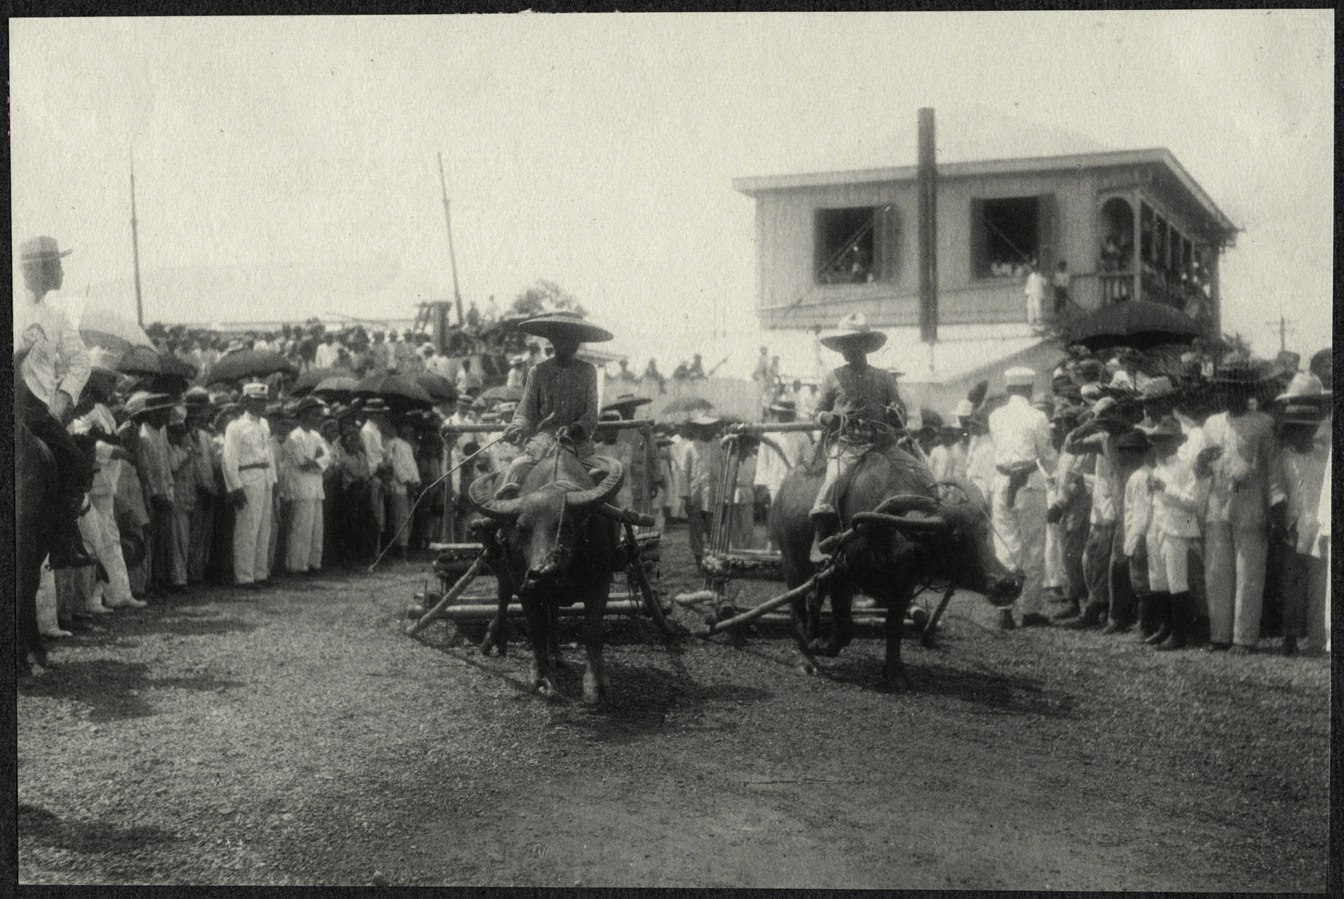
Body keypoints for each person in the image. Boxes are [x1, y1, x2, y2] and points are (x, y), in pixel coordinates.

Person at [14, 236, 97, 568]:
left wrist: (61, 403)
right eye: (58, 264)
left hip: (35, 411)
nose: (62, 271)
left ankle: (63, 541)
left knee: (76, 463)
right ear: (41, 269)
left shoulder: (57, 316)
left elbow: (80, 362)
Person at [1201, 358, 1286, 653]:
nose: (1228, 394)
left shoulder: (1263, 424)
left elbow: (1274, 470)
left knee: (1249, 573)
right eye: (1224, 388)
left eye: (1234, 388)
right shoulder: (1212, 424)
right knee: (1217, 573)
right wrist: (1201, 462)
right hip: (1218, 505)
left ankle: (1245, 637)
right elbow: (1201, 468)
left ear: (1247, 389)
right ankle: (1220, 635)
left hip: (1251, 506)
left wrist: (1277, 509)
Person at [808, 313, 904, 560]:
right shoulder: (832, 376)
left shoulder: (884, 377)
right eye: (844, 345)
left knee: (920, 471)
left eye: (853, 343)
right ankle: (819, 541)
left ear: (865, 345)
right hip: (847, 445)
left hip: (882, 444)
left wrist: (895, 413)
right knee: (834, 480)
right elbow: (817, 413)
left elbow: (899, 411)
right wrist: (830, 418)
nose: (847, 350)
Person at [495, 312, 612, 499]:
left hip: (578, 444)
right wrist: (517, 427)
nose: (571, 344)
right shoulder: (538, 372)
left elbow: (591, 413)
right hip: (543, 443)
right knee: (516, 469)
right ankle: (500, 518)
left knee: (606, 476)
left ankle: (616, 525)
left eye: (575, 340)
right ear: (553, 341)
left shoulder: (588, 371)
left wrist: (575, 428)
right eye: (564, 339)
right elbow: (526, 411)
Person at [988, 367, 1059, 629]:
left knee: (1005, 546)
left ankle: (1005, 609)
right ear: (1029, 389)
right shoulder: (1037, 416)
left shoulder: (995, 416)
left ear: (1008, 389)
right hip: (1029, 484)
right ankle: (1030, 610)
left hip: (1003, 482)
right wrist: (1056, 472)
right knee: (1033, 548)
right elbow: (1047, 455)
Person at [1272, 379, 1330, 654]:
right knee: (1292, 584)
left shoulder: (1323, 457)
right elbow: (1277, 489)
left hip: (1317, 524)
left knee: (1318, 583)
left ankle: (1318, 638)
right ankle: (1290, 636)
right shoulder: (1284, 458)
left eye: (1307, 431)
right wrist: (1280, 520)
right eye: (1296, 431)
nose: (1302, 436)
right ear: (1291, 433)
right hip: (1294, 525)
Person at [222, 382, 277, 589]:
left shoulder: (264, 425)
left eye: (263, 401)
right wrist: (235, 487)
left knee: (264, 528)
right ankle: (244, 576)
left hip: (264, 477)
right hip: (247, 477)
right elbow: (229, 459)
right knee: (247, 529)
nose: (261, 405)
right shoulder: (235, 426)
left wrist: (274, 480)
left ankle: (260, 572)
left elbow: (269, 454)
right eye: (257, 401)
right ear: (246, 401)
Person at [285, 397, 329, 574]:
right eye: (315, 414)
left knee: (316, 529)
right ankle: (297, 565)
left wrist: (316, 462)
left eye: (320, 415)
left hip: (317, 487)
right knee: (301, 528)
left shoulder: (317, 436)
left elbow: (327, 458)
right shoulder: (294, 436)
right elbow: (302, 462)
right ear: (304, 414)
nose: (319, 418)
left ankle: (313, 563)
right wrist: (316, 462)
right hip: (301, 487)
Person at [602, 392, 656, 514]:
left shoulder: (642, 428)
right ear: (619, 410)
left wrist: (655, 478)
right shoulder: (615, 430)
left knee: (643, 512)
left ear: (634, 409)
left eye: (629, 408)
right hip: (622, 480)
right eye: (623, 408)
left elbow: (652, 454)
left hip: (641, 478)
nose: (626, 411)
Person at [386, 419, 422, 562]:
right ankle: (400, 548)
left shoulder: (408, 445)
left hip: (410, 485)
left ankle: (405, 546)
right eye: (406, 426)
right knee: (400, 516)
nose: (409, 429)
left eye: (410, 427)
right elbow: (394, 464)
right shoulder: (392, 443)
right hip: (399, 484)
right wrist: (406, 480)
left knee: (409, 517)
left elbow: (412, 465)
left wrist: (415, 481)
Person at [360, 398, 394, 544]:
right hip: (373, 473)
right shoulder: (366, 431)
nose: (381, 416)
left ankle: (377, 548)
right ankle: (372, 548)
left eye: (381, 413)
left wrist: (386, 458)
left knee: (380, 511)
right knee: (374, 511)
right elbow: (368, 455)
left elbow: (380, 452)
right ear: (372, 414)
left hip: (381, 471)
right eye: (378, 413)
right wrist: (379, 466)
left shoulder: (376, 430)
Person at [1024, 261, 1049, 330]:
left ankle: (1039, 321)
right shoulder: (1030, 276)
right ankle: (1030, 321)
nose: (1035, 268)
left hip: (1038, 295)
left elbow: (1046, 283)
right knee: (1030, 308)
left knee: (1038, 308)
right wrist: (1027, 293)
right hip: (1031, 294)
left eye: (1036, 267)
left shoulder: (1040, 276)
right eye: (1033, 267)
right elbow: (1028, 285)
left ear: (1038, 268)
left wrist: (1044, 276)